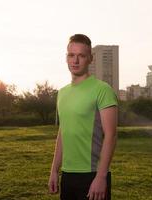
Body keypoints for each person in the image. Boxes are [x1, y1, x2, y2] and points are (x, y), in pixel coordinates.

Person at [48, 34, 118, 200]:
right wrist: (54, 171)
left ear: (90, 59)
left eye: (81, 55)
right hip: (68, 175)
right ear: (66, 58)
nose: (75, 60)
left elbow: (111, 135)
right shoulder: (62, 93)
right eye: (71, 55)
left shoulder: (102, 89)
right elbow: (63, 133)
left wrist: (101, 177)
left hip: (93, 175)